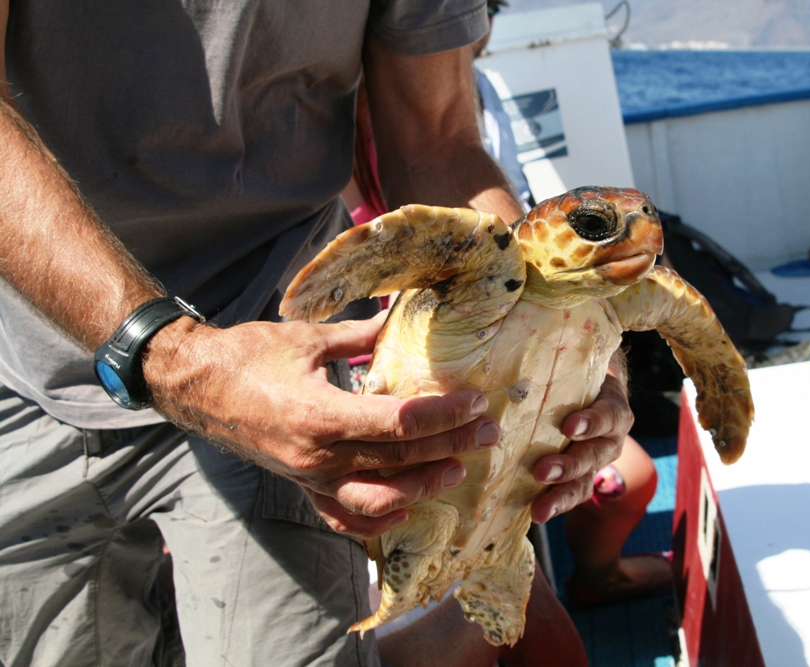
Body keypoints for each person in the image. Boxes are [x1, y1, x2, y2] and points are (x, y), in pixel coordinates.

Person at [0, 3, 632, 666]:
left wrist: (560, 316)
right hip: (26, 353)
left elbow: (439, 139)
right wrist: (175, 355)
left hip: (282, 354)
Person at [472, 0, 675, 608]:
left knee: (630, 480)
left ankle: (595, 573)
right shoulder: (340, 117)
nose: (475, 29)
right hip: (456, 357)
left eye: (484, 11)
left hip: (524, 332)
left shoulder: (478, 91)